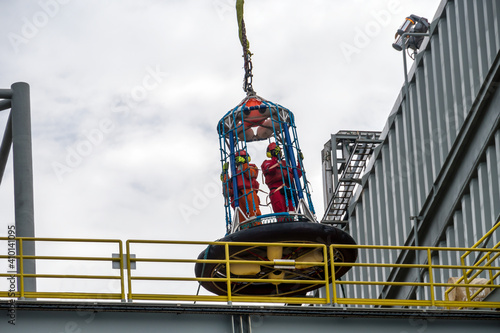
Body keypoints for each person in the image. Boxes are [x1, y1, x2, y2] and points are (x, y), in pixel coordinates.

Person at [261, 142, 302, 213]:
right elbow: (271, 170)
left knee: (291, 212)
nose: (279, 152)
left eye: (279, 151)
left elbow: (297, 175)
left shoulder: (285, 163)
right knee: (281, 212)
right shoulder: (266, 163)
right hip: (276, 191)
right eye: (276, 151)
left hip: (287, 190)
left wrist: (299, 162)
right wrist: (274, 157)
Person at [221, 150, 261, 222]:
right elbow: (227, 192)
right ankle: (245, 228)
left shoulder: (252, 167)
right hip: (237, 197)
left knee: (254, 213)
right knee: (241, 218)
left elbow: (250, 174)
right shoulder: (234, 173)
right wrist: (225, 174)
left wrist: (244, 164)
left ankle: (257, 225)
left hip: (249, 193)